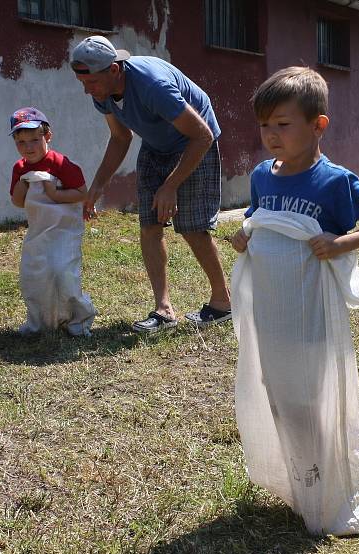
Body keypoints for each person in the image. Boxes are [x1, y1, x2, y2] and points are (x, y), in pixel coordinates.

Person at [230, 67, 359, 536]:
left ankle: (329, 484)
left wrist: (339, 244)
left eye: (283, 124)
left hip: (313, 316)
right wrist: (244, 234)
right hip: (272, 314)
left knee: (315, 399)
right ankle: (297, 477)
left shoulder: (335, 182)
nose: (271, 136)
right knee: (280, 396)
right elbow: (259, 217)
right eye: (264, 126)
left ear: (318, 125)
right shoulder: (263, 176)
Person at [70, 36, 231, 334]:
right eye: (83, 81)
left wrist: (170, 186)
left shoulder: (153, 86)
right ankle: (164, 310)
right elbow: (121, 138)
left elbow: (203, 135)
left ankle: (223, 303)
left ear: (114, 70)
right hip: (157, 144)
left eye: (90, 82)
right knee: (149, 224)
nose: (86, 89)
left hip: (193, 141)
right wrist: (98, 186)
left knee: (192, 226)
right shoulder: (102, 92)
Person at [9, 107, 97, 336]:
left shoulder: (61, 164)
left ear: (47, 136)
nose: (29, 148)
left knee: (63, 272)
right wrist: (22, 184)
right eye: (22, 142)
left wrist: (55, 194)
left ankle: (77, 318)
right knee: (35, 276)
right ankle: (42, 322)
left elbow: (81, 193)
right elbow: (18, 202)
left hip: (64, 231)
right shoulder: (20, 168)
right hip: (38, 232)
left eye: (35, 140)